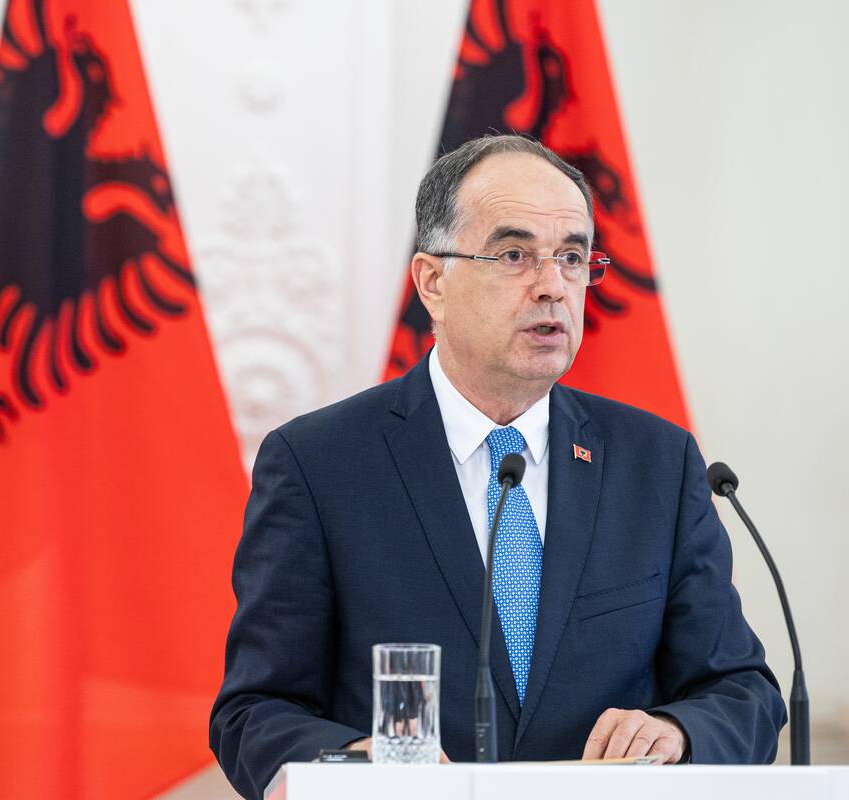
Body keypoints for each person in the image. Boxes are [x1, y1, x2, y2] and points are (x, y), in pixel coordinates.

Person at [208, 135, 786, 799]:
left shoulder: (658, 462)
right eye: (515, 255)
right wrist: (353, 766)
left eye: (572, 258)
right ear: (433, 282)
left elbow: (742, 692)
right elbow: (255, 712)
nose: (553, 287)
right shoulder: (318, 464)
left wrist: (678, 733)